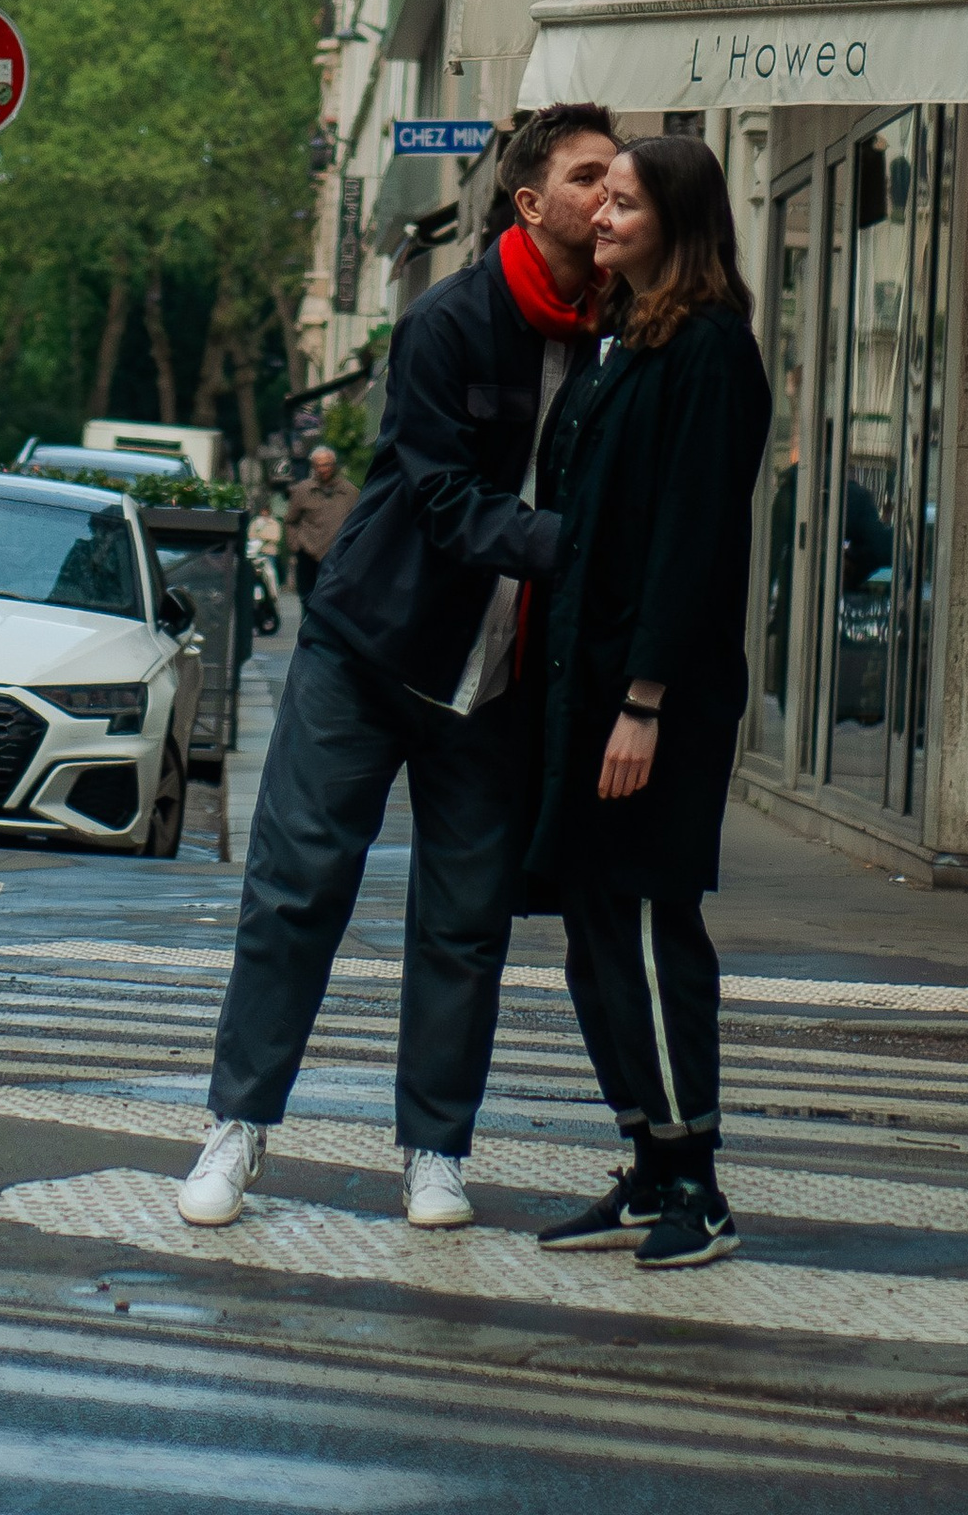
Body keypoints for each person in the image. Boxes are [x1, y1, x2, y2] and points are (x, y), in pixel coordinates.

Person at [179, 100, 619, 1237]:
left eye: (618, 178)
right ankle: (236, 1125)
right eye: (588, 178)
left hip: (499, 678)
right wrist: (573, 549)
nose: (610, 194)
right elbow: (436, 495)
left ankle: (434, 1148)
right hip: (371, 648)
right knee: (296, 888)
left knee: (465, 921)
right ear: (531, 203)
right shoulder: (447, 322)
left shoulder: (623, 335)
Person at [526, 136, 770, 1272]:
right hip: (594, 682)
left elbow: (693, 539)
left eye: (623, 203)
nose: (603, 218)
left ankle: (697, 1182)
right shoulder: (627, 334)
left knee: (643, 922)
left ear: (675, 219)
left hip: (651, 697)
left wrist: (644, 700)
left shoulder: (710, 350)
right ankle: (646, 1155)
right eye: (602, 200)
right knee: (592, 929)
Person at [278, 442, 357, 600]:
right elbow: (290, 521)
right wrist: (295, 545)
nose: (322, 470)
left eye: (326, 465)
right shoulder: (303, 490)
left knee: (335, 601)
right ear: (313, 466)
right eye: (318, 465)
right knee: (308, 600)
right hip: (308, 554)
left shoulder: (350, 492)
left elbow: (359, 522)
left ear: (334, 465)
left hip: (338, 556)